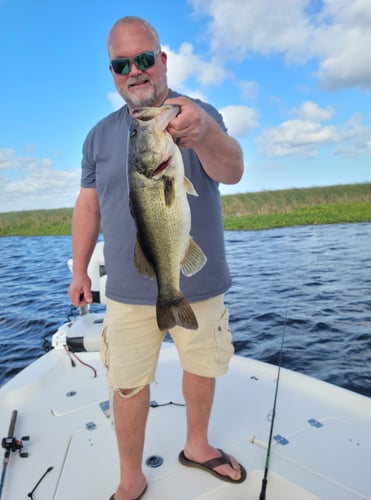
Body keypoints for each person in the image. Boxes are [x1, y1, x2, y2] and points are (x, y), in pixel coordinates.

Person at [68, 16, 246, 500]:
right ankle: (131, 478)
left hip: (200, 281)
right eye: (122, 63)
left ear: (162, 61)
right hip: (127, 287)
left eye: (145, 58)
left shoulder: (196, 112)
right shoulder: (98, 136)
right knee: (126, 384)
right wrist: (80, 269)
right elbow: (88, 205)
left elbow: (232, 170)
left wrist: (204, 131)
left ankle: (198, 446)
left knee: (203, 366)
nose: (135, 70)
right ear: (112, 72)